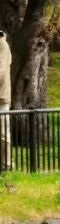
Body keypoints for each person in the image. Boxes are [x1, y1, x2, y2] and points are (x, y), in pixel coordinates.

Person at [0, 27, 10, 172]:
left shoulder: (2, 45)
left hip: (1, 97)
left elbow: (1, 71)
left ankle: (6, 165)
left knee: (2, 134)